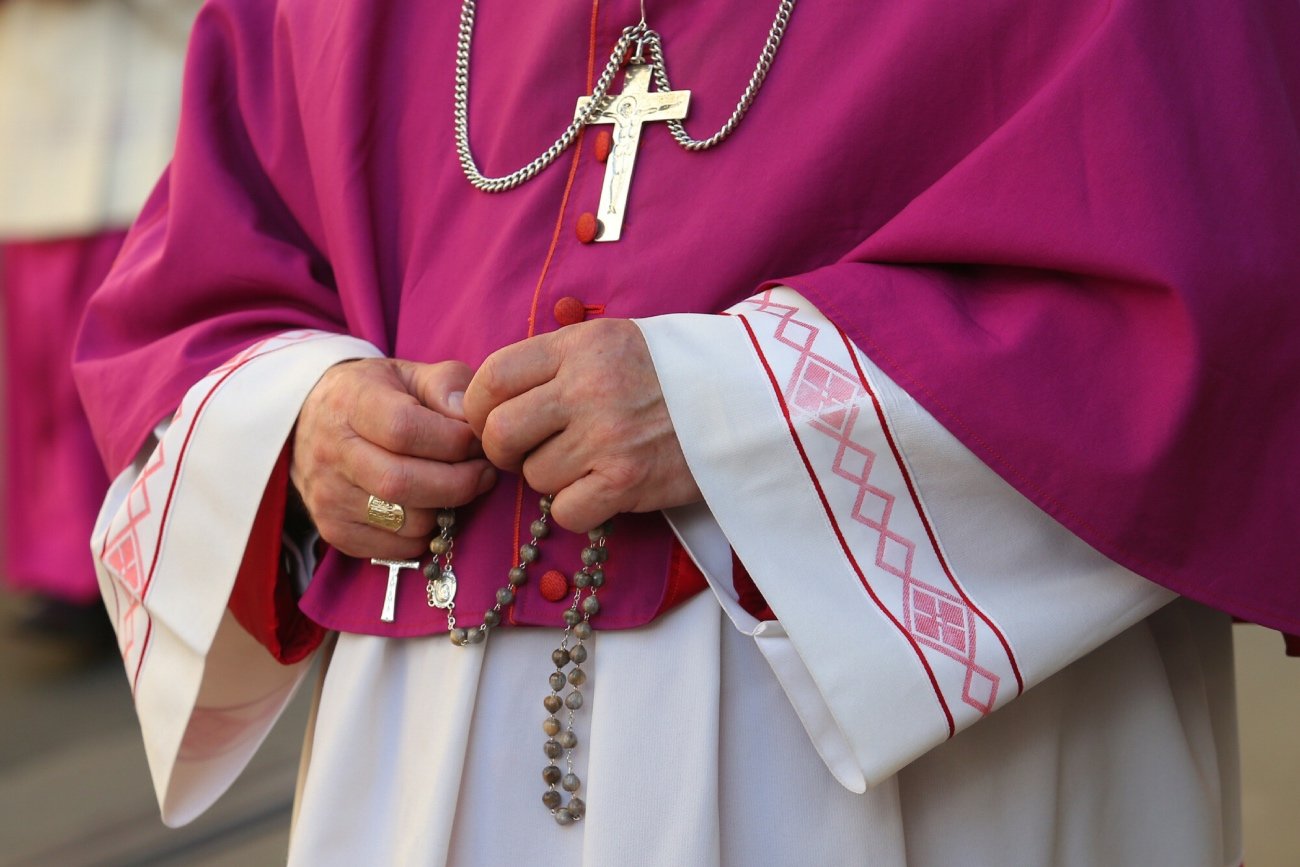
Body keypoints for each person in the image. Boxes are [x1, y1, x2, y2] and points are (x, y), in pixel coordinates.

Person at [72, 0, 1299, 864]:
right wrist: (306, 426)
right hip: (433, 738)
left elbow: (1219, 281)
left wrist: (736, 406)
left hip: (915, 750)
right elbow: (199, 288)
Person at [0, 0, 201, 633]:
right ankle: (63, 567)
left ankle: (140, 560)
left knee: (120, 375)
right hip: (31, 132)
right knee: (36, 381)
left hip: (137, 134)